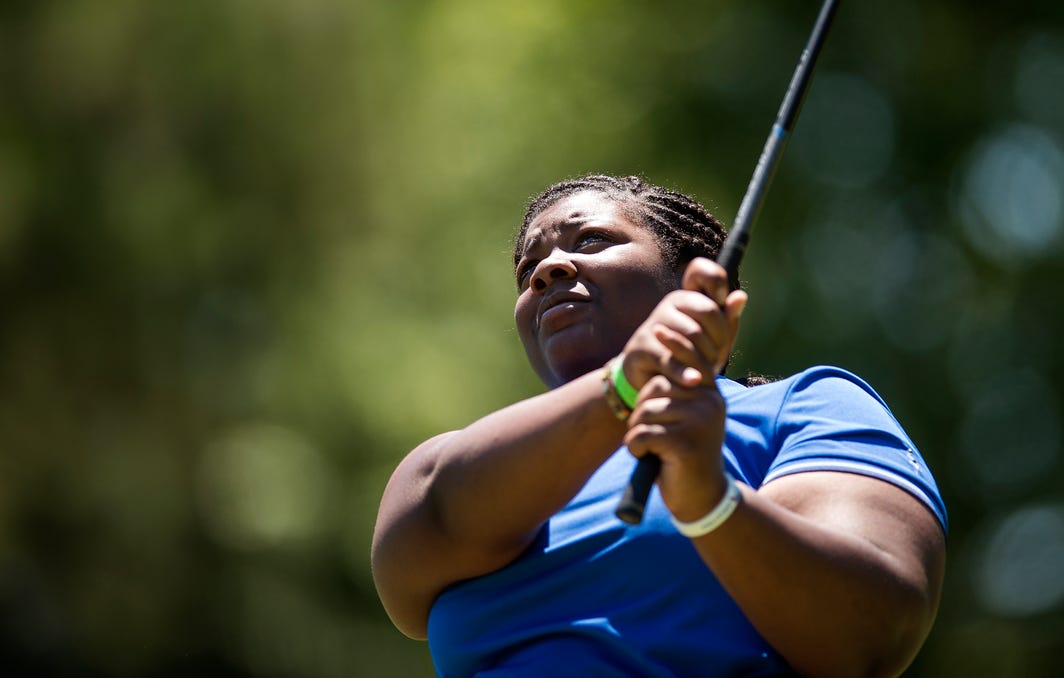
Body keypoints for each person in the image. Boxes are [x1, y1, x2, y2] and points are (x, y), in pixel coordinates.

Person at [371, 175, 947, 678]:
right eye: (527, 271)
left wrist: (709, 501)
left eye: (591, 240)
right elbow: (412, 557)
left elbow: (870, 635)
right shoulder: (470, 457)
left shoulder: (802, 408)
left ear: (691, 284)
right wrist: (623, 387)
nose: (545, 270)